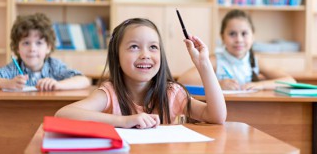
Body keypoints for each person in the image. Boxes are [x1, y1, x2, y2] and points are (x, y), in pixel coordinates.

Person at [55, 18, 226, 128]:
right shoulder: (110, 93)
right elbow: (62, 115)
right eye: (134, 47)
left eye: (153, 47)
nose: (145, 55)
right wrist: (123, 121)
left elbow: (216, 116)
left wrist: (203, 64)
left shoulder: (171, 93)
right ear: (117, 56)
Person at [178, 9, 296, 90]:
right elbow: (183, 80)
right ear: (222, 37)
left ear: (252, 36)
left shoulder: (256, 62)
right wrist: (217, 84)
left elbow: (290, 81)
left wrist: (262, 85)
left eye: (244, 33)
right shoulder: (216, 60)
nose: (239, 39)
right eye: (232, 34)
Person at [0, 13, 90, 91]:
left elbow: (84, 80)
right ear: (17, 47)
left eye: (39, 43)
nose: (32, 49)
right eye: (26, 43)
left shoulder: (55, 66)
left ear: (48, 47)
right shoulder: (12, 69)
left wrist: (58, 84)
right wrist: (8, 83)